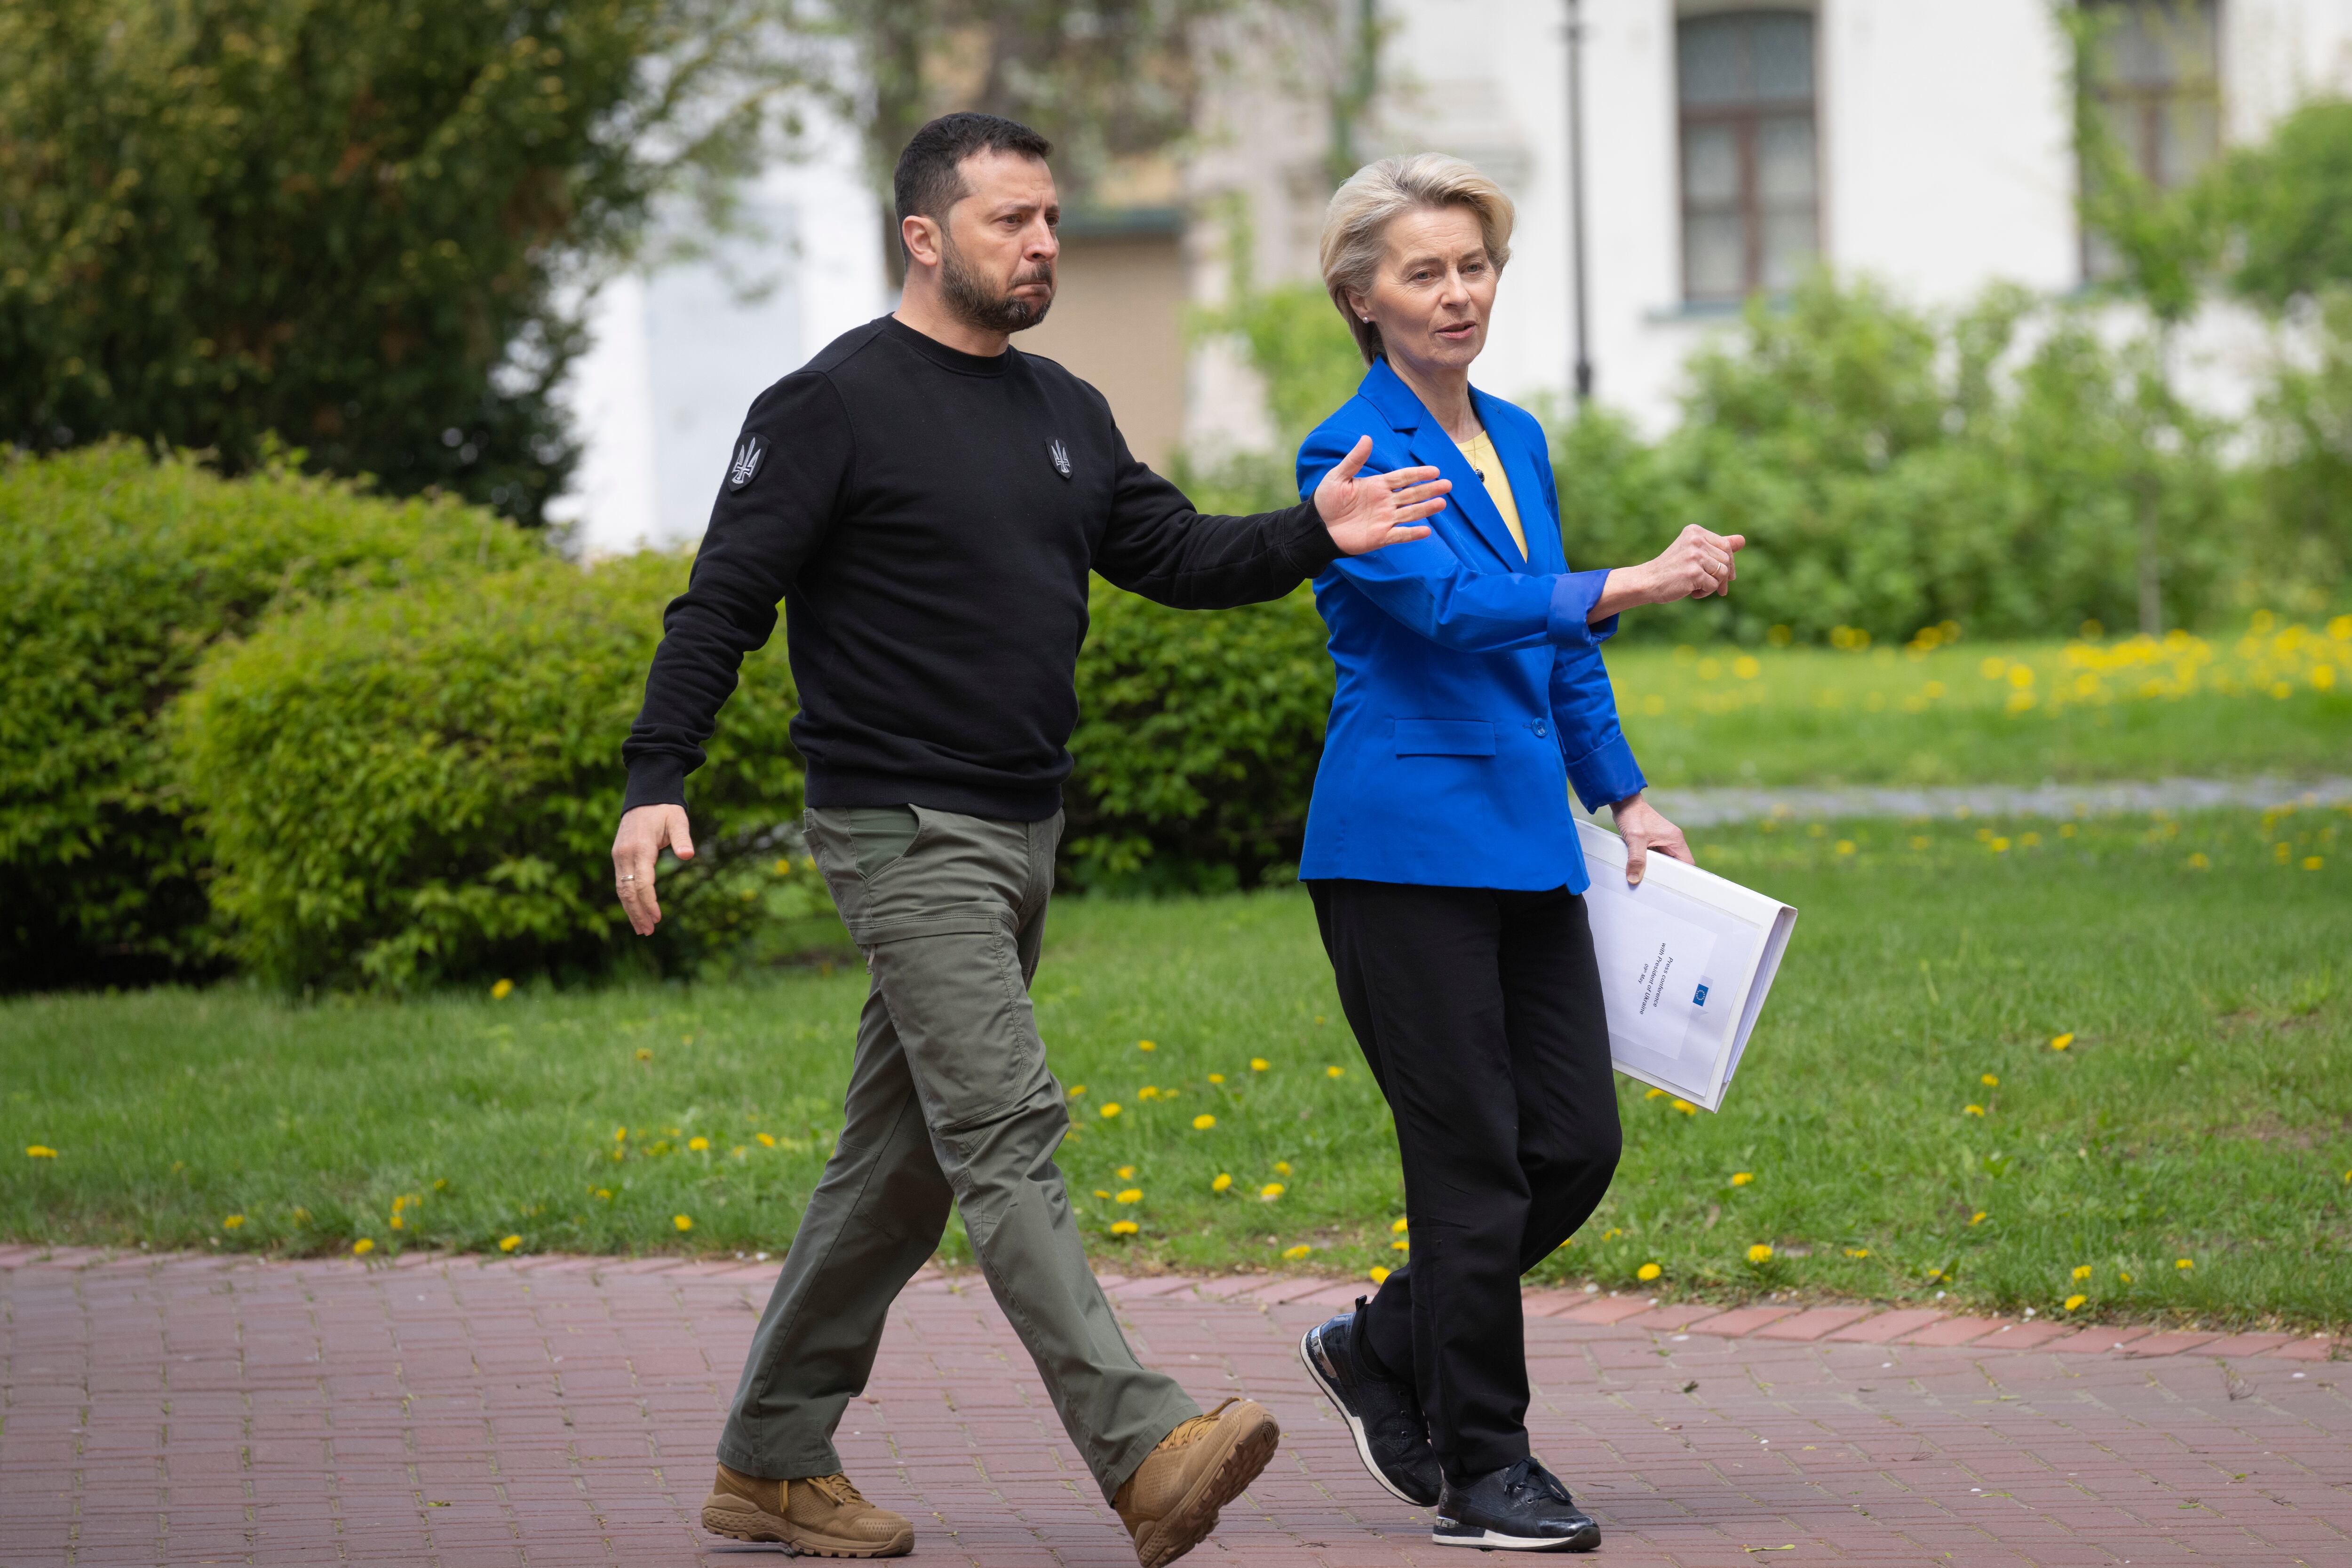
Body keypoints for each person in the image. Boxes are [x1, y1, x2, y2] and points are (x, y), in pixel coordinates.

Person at [610, 113, 1451, 1566]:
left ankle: (769, 1461)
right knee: (1003, 1129)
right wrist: (653, 774)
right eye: (1012, 222)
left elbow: (1175, 555)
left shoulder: (1062, 406)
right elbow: (724, 597)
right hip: (899, 825)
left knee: (902, 1161)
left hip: (1019, 827)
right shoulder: (831, 405)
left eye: (1052, 218)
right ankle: (1144, 1446)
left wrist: (1316, 528)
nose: (1045, 243)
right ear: (925, 237)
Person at [1285, 155, 1745, 1553]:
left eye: (1474, 265)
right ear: (1361, 297)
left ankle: (1381, 1348)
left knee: (1575, 1144)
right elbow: (1457, 612)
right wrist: (1634, 581)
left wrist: (1627, 797)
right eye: (1424, 271)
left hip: (1527, 851)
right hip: (1397, 851)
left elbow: (1549, 649)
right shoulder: (1346, 457)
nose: (1458, 291)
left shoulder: (1517, 438)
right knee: (1474, 1164)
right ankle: (1488, 1468)